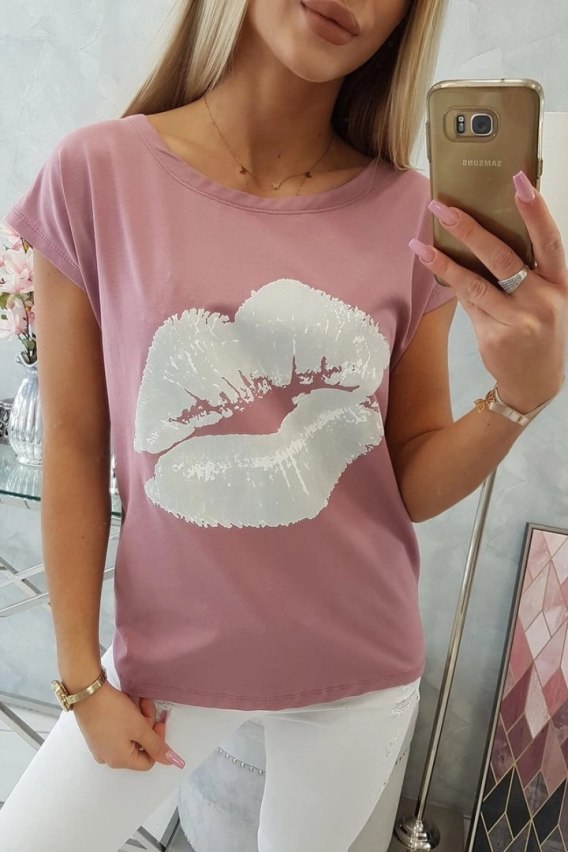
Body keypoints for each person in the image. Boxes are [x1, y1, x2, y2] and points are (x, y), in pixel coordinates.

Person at [1, 0, 567, 849]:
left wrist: (520, 397)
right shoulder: (95, 172)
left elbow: (407, 480)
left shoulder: (416, 216)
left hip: (359, 672)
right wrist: (81, 678)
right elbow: (76, 447)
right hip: (166, 663)